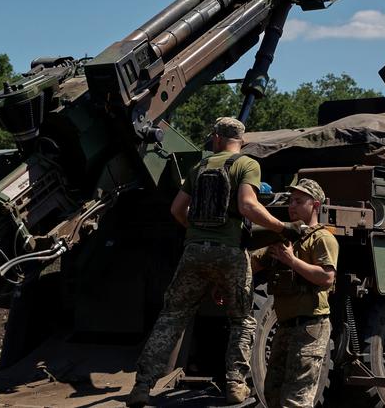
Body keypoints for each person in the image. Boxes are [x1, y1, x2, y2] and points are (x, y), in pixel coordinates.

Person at [127, 117, 304, 407]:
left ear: (217, 139)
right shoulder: (246, 165)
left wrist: (197, 233)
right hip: (231, 252)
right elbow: (248, 205)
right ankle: (235, 384)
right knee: (242, 319)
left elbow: (176, 210)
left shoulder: (198, 167)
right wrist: (280, 228)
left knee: (172, 316)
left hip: (194, 251)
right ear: (241, 141)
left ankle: (142, 386)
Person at [251, 179, 339, 408]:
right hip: (285, 326)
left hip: (310, 326)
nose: (292, 206)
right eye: (291, 201)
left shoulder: (322, 239)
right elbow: (254, 264)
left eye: (299, 201)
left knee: (296, 400)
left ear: (315, 205)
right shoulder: (285, 237)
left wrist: (291, 260)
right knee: (272, 393)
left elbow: (326, 277)